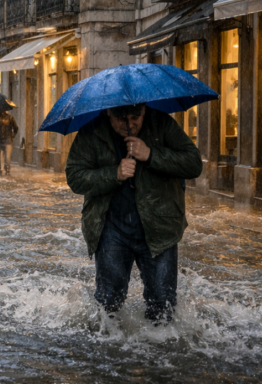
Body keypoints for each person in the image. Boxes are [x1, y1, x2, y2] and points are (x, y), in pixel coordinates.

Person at [65, 103, 202, 323]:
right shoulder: (92, 132)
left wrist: (150, 154)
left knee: (163, 304)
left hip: (160, 226)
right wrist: (114, 174)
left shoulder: (162, 123)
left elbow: (194, 164)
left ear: (144, 111)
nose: (129, 124)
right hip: (111, 227)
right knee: (108, 302)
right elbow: (75, 177)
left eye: (135, 117)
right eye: (121, 118)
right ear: (108, 112)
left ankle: (159, 353)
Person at [0, 110, 19, 176]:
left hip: (7, 140)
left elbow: (15, 127)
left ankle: (7, 170)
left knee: (7, 158)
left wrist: (14, 134)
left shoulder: (10, 118)